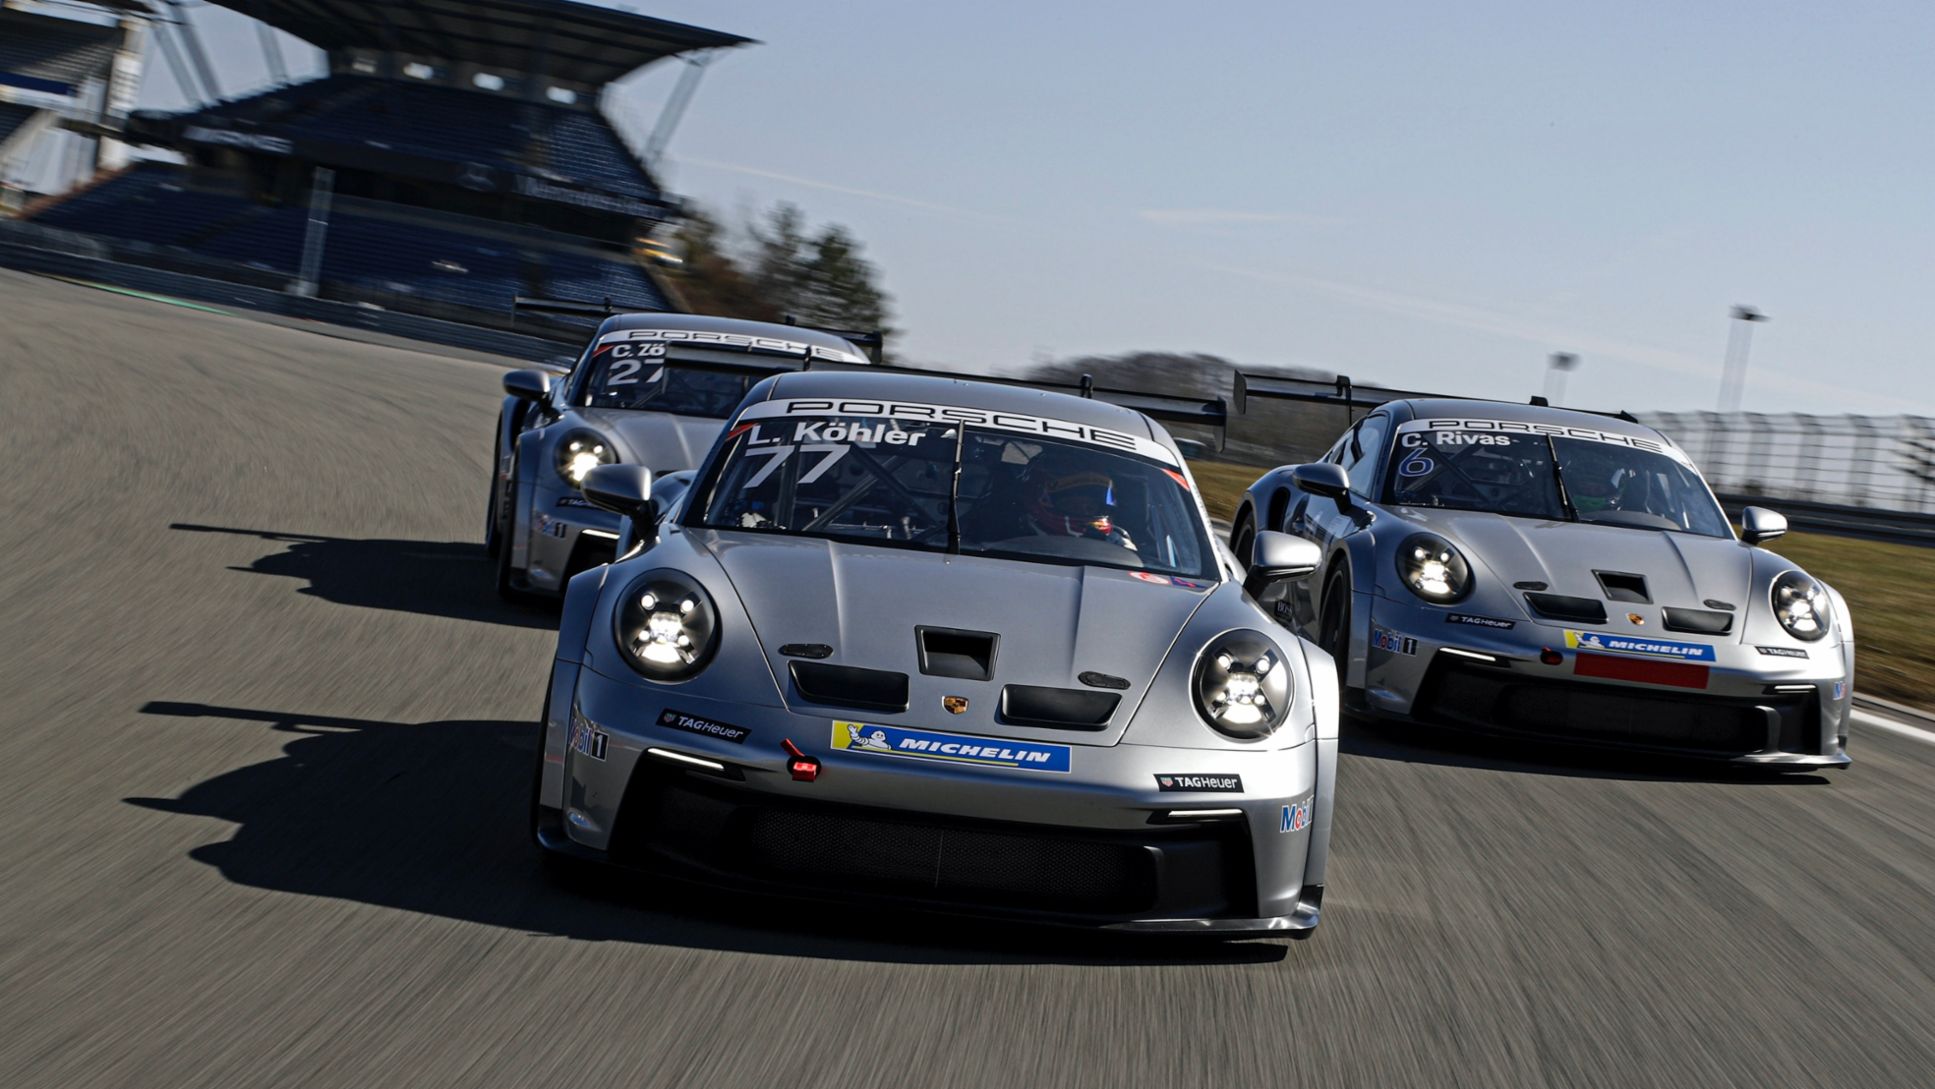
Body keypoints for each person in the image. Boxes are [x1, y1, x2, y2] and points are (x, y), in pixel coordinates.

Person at [1027, 467, 1138, 551]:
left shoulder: (1114, 542)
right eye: (1074, 507)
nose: (1084, 512)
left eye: (1090, 508)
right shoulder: (1017, 533)